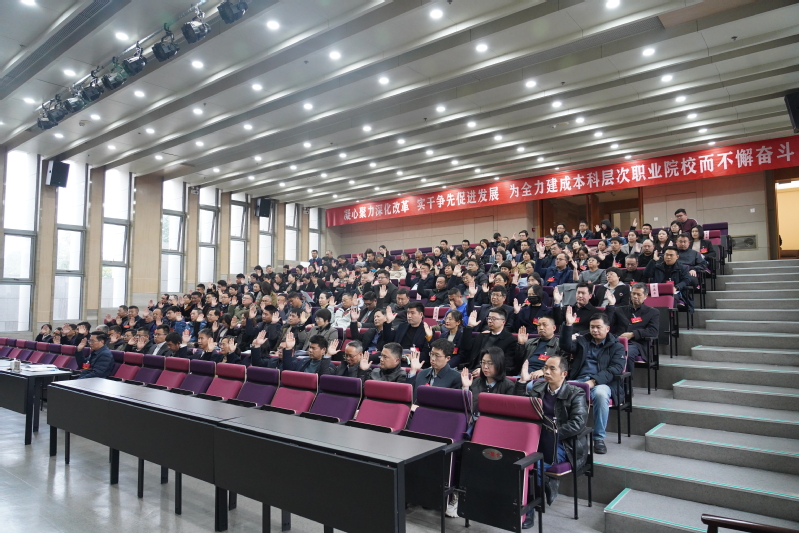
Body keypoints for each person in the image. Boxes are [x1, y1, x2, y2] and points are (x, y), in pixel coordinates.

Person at [515, 355, 588, 511]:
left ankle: (530, 509)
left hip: (563, 443)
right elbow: (521, 408)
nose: (546, 372)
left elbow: (577, 424)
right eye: (545, 368)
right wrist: (522, 382)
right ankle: (523, 500)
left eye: (552, 369)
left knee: (534, 465)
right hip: (536, 438)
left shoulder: (576, 393)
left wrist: (551, 434)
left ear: (564, 374)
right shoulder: (538, 387)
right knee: (513, 458)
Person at [558, 310, 626, 454]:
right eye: (592, 327)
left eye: (598, 327)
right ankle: (563, 434)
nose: (594, 330)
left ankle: (598, 438)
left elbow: (616, 369)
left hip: (602, 383)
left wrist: (594, 381)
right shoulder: (583, 341)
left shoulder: (617, 346)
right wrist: (568, 325)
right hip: (579, 380)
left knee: (601, 395)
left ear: (607, 328)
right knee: (557, 390)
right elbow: (565, 346)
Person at [610, 283, 659, 365]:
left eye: (639, 294)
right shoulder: (619, 310)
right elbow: (608, 324)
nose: (635, 296)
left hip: (637, 344)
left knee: (626, 353)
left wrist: (633, 334)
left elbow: (653, 331)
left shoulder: (652, 312)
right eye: (633, 293)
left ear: (645, 296)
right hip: (618, 341)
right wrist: (611, 306)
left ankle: (627, 374)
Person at [467, 307, 517, 374]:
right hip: (472, 370)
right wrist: (469, 326)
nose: (490, 321)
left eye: (493, 319)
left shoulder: (510, 340)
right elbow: (465, 349)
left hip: (492, 374)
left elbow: (506, 364)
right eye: (489, 318)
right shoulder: (482, 336)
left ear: (503, 322)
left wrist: (483, 370)